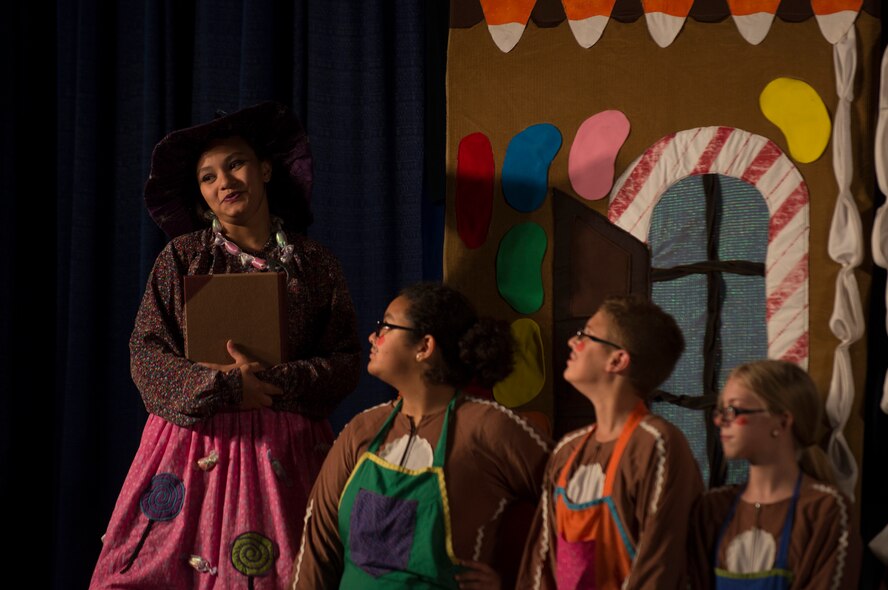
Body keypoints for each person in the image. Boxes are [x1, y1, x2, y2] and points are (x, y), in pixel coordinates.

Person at [90, 102, 361, 588]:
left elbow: (344, 359)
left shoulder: (315, 263)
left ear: (265, 169)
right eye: (208, 177)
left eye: (236, 164)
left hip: (287, 448)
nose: (225, 182)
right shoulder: (182, 258)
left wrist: (270, 383)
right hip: (194, 447)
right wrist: (226, 386)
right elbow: (146, 355)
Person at [291, 282, 552, 589]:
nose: (372, 336)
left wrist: (515, 585)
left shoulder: (489, 428)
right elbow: (316, 549)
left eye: (386, 325)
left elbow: (578, 507)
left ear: (424, 347)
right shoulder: (361, 430)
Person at [517, 294, 703, 589]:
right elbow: (541, 560)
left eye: (585, 335)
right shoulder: (567, 450)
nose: (572, 342)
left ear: (617, 360)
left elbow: (659, 565)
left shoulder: (656, 445)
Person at [688, 359, 861, 589]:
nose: (720, 421)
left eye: (733, 410)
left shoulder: (823, 508)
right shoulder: (712, 508)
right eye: (720, 411)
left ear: (782, 421)